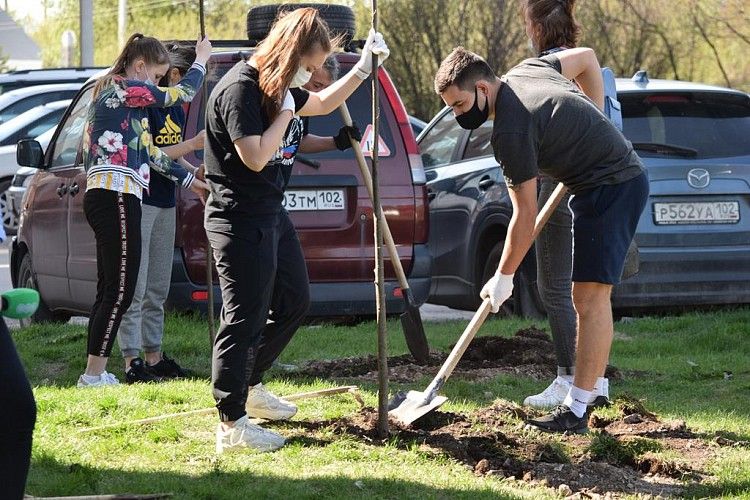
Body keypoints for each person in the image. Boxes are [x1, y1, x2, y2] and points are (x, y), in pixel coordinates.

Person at [434, 46, 648, 433]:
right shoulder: (527, 69)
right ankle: (593, 388)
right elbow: (586, 58)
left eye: (461, 104)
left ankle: (578, 409)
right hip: (602, 183)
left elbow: (525, 215)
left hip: (611, 185)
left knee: (589, 297)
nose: (459, 114)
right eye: (452, 108)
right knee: (588, 296)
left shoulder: (511, 131)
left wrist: (503, 277)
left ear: (483, 88)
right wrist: (594, 121)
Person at [204, 8, 389, 453]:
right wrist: (287, 113)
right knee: (244, 316)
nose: (311, 75)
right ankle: (231, 423)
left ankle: (250, 384)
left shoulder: (279, 87)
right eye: (308, 65)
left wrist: (364, 68)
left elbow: (323, 104)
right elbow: (255, 156)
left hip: (271, 213)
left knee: (294, 300)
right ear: (289, 56)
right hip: (237, 218)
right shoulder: (241, 91)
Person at [78, 33, 211, 388]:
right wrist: (200, 60)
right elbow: (181, 94)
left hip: (114, 195)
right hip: (116, 195)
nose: (155, 85)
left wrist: (189, 181)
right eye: (155, 77)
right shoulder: (122, 90)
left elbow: (152, 155)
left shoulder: (126, 105)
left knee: (112, 287)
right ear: (139, 67)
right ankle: (94, 375)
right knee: (121, 290)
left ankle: (97, 371)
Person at [520, 0, 609, 409]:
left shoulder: (549, 68)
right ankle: (595, 383)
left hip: (565, 180)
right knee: (593, 287)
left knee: (554, 284)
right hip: (598, 180)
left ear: (535, 27)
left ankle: (570, 377)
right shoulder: (589, 68)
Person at [116, 42, 207, 384]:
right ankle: (132, 359)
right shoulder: (148, 103)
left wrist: (193, 171)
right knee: (136, 287)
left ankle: (154, 355)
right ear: (175, 75)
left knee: (158, 286)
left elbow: (176, 155)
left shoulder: (178, 111)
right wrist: (192, 146)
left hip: (167, 199)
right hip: (142, 198)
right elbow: (153, 151)